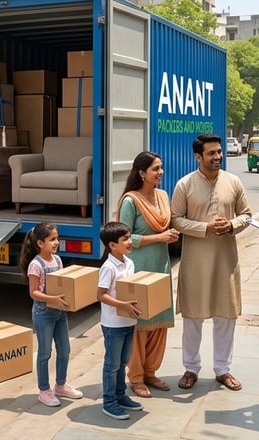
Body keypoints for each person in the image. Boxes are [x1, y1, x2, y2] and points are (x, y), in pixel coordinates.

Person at [171, 133, 252, 392]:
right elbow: (175, 219)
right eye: (211, 153)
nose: (218, 156)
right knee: (193, 317)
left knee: (225, 316)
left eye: (219, 152)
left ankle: (222, 369)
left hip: (226, 261)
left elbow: (247, 215)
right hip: (195, 263)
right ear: (198, 157)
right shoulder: (185, 185)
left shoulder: (233, 181)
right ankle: (191, 368)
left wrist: (231, 225)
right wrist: (204, 228)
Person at [116, 151, 180, 398]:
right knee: (140, 325)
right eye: (155, 169)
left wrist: (170, 236)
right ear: (141, 173)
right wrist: (159, 237)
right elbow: (124, 238)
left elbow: (169, 224)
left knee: (159, 322)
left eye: (161, 167)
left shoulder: (162, 196)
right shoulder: (130, 201)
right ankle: (136, 377)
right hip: (139, 268)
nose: (160, 172)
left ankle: (151, 372)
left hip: (160, 266)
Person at [18, 222, 84, 407]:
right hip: (43, 313)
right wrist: (52, 299)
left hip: (60, 313)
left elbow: (61, 284)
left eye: (57, 238)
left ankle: (60, 385)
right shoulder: (35, 265)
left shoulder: (58, 260)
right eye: (52, 239)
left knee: (64, 349)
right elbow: (33, 293)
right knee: (45, 353)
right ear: (40, 243)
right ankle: (44, 390)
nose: (56, 242)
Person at [96, 221, 143, 420]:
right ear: (112, 245)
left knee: (123, 362)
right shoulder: (108, 267)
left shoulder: (129, 263)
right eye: (125, 239)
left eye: (129, 237)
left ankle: (121, 396)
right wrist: (122, 305)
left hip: (128, 322)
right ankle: (109, 402)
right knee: (112, 365)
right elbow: (101, 295)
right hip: (113, 325)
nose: (130, 242)